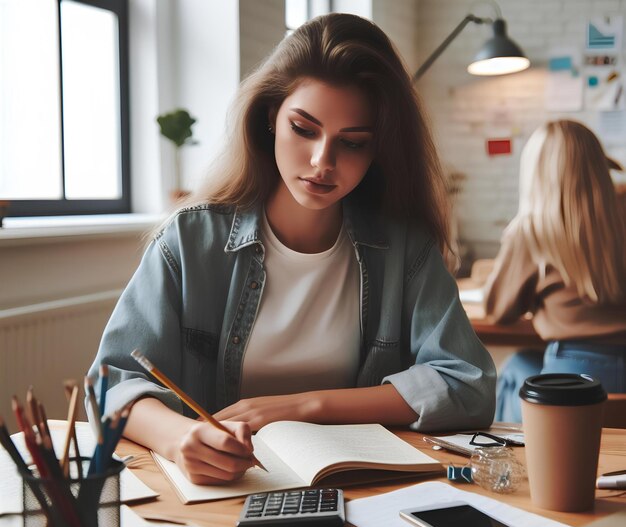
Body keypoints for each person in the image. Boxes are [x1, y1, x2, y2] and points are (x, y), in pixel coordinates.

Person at [89, 13, 496, 484]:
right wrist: (179, 437)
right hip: (223, 492)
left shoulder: (405, 249)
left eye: (354, 143)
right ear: (269, 117)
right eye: (304, 129)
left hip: (356, 495)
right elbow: (110, 383)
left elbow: (469, 384)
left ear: (378, 149)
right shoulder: (190, 240)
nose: (323, 162)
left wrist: (308, 405)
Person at [484, 119, 626, 423]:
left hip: (572, 378)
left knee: (513, 370)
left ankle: (511, 463)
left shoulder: (531, 230)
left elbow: (498, 310)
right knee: (522, 361)